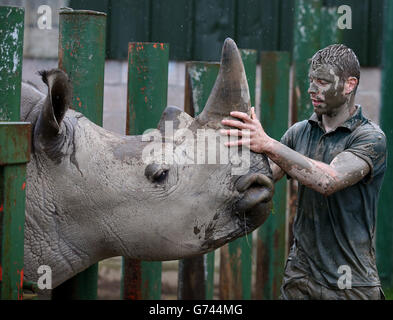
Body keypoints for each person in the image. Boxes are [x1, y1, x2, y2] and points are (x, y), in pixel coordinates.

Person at [220, 44, 387, 300]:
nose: (311, 89)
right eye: (311, 80)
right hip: (301, 278)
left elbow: (328, 180)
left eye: (322, 81)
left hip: (350, 283)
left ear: (349, 84)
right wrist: (233, 144)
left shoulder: (370, 137)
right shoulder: (299, 132)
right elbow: (262, 176)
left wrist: (268, 143)